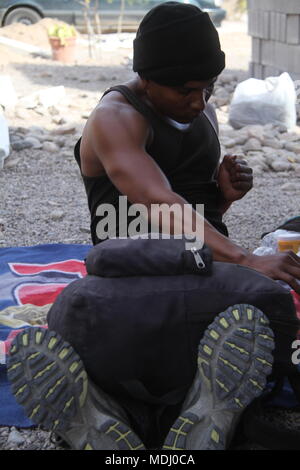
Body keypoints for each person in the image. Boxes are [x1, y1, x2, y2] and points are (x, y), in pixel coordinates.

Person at [7, 2, 300, 451]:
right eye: (186, 90)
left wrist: (221, 197)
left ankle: (118, 417)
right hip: (133, 269)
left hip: (194, 266)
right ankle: (199, 415)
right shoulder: (116, 118)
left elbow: (191, 210)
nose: (199, 101)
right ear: (146, 78)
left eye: (209, 88)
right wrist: (245, 259)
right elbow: (159, 204)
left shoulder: (198, 110)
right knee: (269, 303)